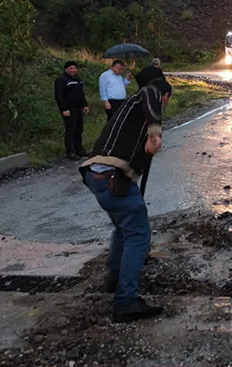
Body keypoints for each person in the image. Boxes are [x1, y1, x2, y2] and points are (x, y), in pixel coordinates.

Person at [79, 78, 172, 323]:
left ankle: (116, 277)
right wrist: (155, 132)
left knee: (124, 228)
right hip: (110, 177)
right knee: (139, 236)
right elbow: (151, 91)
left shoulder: (130, 117)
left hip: (96, 177)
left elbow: (136, 160)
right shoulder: (148, 94)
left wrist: (148, 149)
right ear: (165, 97)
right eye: (166, 101)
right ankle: (126, 301)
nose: (163, 105)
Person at [54, 61, 89, 158]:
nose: (73, 70)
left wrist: (85, 105)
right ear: (66, 69)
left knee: (79, 129)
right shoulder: (61, 80)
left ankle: (79, 149)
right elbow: (59, 96)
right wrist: (64, 109)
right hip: (69, 109)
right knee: (70, 130)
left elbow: (81, 94)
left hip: (78, 108)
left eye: (74, 68)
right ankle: (70, 151)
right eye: (71, 68)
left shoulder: (78, 80)